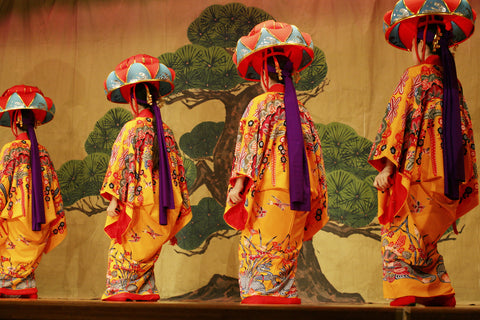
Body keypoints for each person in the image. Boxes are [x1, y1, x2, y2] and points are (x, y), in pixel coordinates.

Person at [369, 0, 478, 307]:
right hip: (449, 180)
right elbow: (466, 133)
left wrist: (388, 169)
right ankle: (439, 290)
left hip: (420, 176)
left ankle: (405, 289)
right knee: (426, 240)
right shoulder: (451, 83)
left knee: (397, 234)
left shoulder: (416, 76)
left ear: (420, 44)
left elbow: (398, 123)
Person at [224, 20, 329, 304]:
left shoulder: (259, 105)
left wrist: (239, 185)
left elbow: (249, 149)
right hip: (300, 196)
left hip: (270, 192)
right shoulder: (302, 112)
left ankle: (264, 302)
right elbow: (316, 157)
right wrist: (316, 195)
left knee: (256, 252)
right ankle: (284, 297)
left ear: (263, 76)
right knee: (284, 255)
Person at [101, 54, 191, 301]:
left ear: (133, 101)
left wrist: (114, 200)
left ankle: (128, 291)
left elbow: (120, 166)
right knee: (147, 255)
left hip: (138, 206)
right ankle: (145, 288)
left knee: (121, 255)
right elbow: (177, 173)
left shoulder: (132, 129)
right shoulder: (166, 131)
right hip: (162, 207)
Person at [0, 85, 67, 299]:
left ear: (14, 122)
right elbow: (54, 190)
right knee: (26, 268)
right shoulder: (43, 152)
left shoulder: (10, 150)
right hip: (38, 221)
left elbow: (3, 187)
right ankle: (25, 284)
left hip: (17, 220)